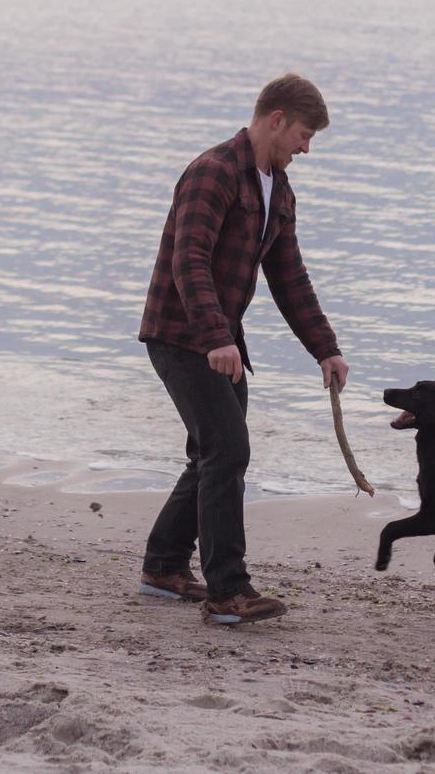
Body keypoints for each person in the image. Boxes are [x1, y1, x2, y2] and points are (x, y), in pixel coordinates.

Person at [137, 72, 350, 625]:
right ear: (275, 120)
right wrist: (215, 337)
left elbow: (290, 276)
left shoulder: (277, 187)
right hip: (181, 336)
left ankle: (163, 565)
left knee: (213, 455)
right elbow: (190, 262)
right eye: (303, 135)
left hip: (220, 343)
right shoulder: (213, 173)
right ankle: (228, 592)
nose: (306, 148)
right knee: (227, 453)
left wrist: (324, 349)